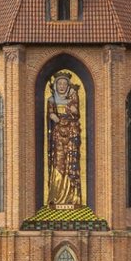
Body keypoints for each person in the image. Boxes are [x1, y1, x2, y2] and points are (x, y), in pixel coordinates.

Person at [46, 71, 82, 208]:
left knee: (71, 163)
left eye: (64, 84)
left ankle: (73, 197)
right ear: (55, 85)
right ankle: (56, 197)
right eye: (59, 83)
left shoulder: (72, 100)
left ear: (68, 86)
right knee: (59, 162)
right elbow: (50, 113)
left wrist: (72, 107)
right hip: (58, 135)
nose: (61, 86)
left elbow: (76, 114)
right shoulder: (51, 100)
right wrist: (52, 115)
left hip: (71, 133)